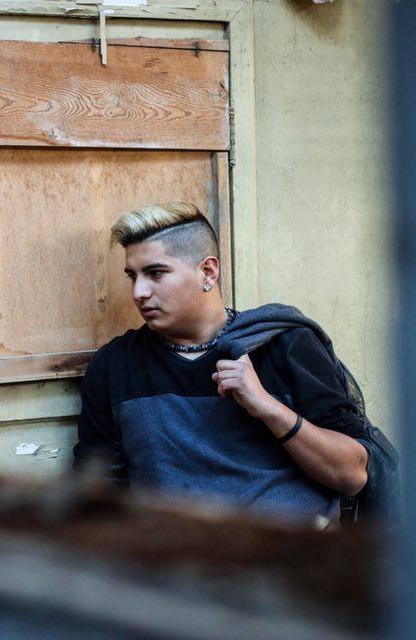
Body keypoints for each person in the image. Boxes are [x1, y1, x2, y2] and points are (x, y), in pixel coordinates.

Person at [72, 202, 371, 526]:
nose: (139, 292)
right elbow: (98, 495)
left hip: (288, 558)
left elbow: (352, 475)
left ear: (208, 272)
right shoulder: (115, 365)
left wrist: (267, 407)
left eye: (156, 273)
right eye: (132, 276)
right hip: (178, 566)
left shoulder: (284, 344)